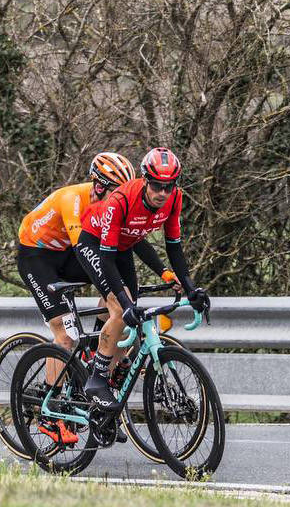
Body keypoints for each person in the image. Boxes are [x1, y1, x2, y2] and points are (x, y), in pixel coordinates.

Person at [75, 147, 209, 409]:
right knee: (120, 309)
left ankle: (100, 375)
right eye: (157, 186)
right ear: (146, 181)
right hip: (95, 245)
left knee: (127, 319)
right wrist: (125, 304)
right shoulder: (121, 201)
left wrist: (191, 287)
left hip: (125, 247)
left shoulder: (174, 199)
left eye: (168, 187)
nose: (162, 193)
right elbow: (106, 259)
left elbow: (174, 246)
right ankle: (96, 380)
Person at [17, 151, 136, 443]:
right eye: (115, 191)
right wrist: (111, 294)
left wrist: (123, 299)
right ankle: (48, 414)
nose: (121, 198)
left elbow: (117, 254)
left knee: (119, 300)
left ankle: (96, 351)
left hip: (66, 254)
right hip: (38, 256)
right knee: (66, 336)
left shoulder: (111, 206)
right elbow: (86, 255)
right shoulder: (73, 200)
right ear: (98, 186)